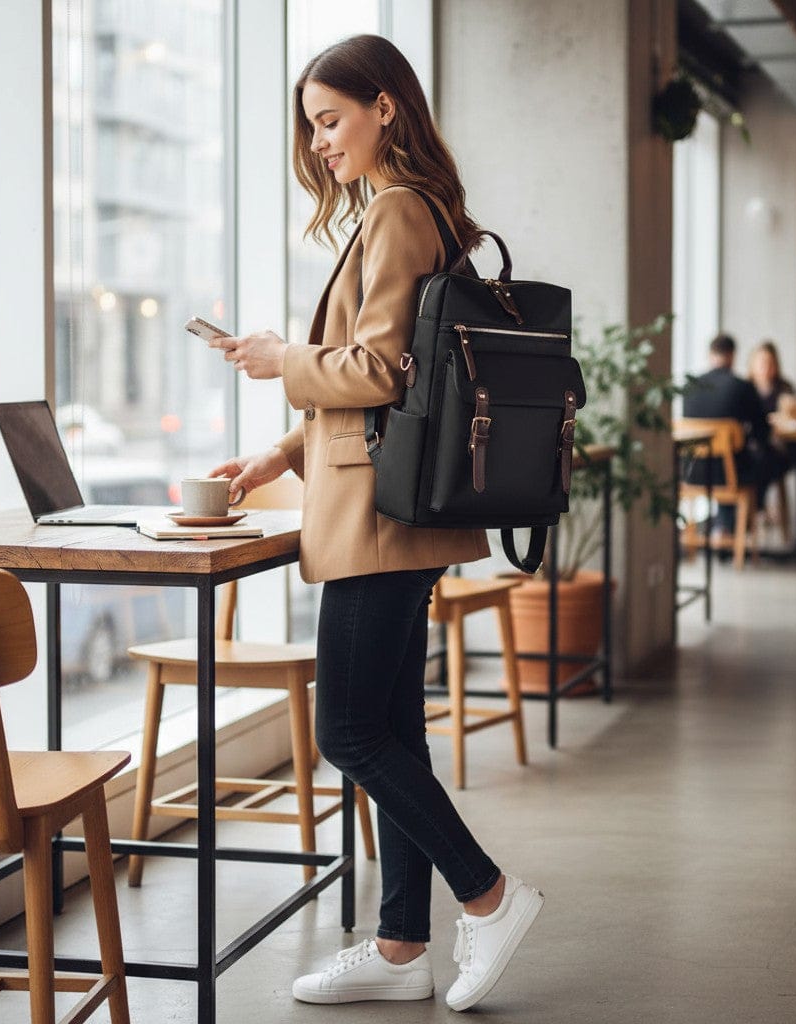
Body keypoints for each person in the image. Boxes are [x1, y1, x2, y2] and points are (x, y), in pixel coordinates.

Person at [204, 35, 542, 1012]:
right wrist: (282, 453)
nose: (318, 144)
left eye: (329, 119)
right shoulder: (414, 210)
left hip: (381, 518)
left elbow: (383, 370)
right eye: (309, 128)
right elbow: (403, 384)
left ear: (384, 107)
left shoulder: (397, 212)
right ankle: (401, 946)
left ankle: (488, 893)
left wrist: (282, 355)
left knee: (347, 728)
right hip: (390, 504)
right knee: (390, 724)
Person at [682, 333, 771, 536]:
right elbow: (762, 431)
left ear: (710, 355)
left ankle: (724, 525)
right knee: (763, 461)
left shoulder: (689, 386)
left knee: (733, 457)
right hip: (729, 473)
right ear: (732, 356)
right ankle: (738, 522)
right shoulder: (742, 387)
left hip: (692, 471)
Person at [747, 340, 796, 515]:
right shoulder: (745, 390)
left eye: (770, 363)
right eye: (761, 363)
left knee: (762, 461)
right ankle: (746, 514)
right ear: (752, 365)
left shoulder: (785, 390)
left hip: (779, 450)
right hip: (753, 449)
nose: (765, 368)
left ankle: (756, 511)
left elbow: (795, 418)